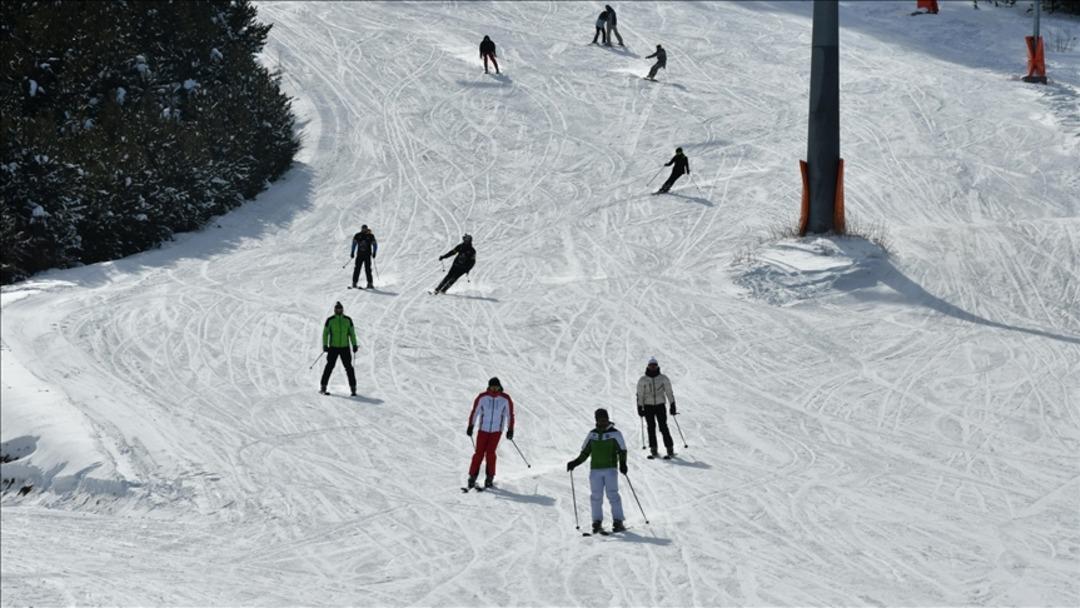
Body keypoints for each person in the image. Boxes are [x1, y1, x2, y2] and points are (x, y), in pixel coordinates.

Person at [566, 408, 628, 534]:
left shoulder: (615, 433)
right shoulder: (592, 434)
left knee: (613, 494)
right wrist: (575, 462)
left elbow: (622, 450)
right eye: (600, 419)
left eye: (604, 419)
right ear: (596, 420)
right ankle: (596, 522)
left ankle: (618, 520)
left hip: (610, 469)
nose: (603, 421)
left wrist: (623, 464)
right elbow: (585, 452)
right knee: (596, 496)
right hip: (595, 470)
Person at [466, 377, 515, 489]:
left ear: (499, 386)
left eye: (496, 387)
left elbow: (509, 415)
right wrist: (470, 426)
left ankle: (490, 477)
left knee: (490, 453)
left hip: (496, 431)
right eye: (492, 387)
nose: (494, 389)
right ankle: (472, 476)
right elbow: (475, 412)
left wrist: (510, 429)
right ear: (489, 386)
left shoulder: (505, 399)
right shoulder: (482, 397)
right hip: (483, 429)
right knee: (478, 453)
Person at [636, 356, 676, 459]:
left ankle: (669, 448)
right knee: (651, 427)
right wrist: (640, 407)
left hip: (660, 405)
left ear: (657, 366)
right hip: (648, 406)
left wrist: (672, 404)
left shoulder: (663, 378)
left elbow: (669, 392)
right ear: (648, 366)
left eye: (654, 365)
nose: (653, 367)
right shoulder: (643, 380)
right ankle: (653, 448)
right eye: (651, 365)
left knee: (663, 426)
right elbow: (640, 394)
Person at [320, 301, 358, 396]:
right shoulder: (330, 320)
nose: (339, 310)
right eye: (337, 309)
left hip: (345, 348)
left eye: (340, 309)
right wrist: (325, 345)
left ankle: (353, 388)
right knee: (329, 366)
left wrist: (354, 344)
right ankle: (323, 386)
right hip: (333, 348)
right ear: (335, 310)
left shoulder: (348, 320)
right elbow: (325, 333)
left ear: (342, 309)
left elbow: (352, 333)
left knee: (349, 368)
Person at [350, 224, 378, 289]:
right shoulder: (358, 235)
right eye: (363, 228)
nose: (364, 230)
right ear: (361, 229)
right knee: (357, 269)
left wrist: (374, 252)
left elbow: (375, 244)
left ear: (367, 229)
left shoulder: (370, 236)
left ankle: (370, 283)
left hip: (367, 255)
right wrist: (352, 252)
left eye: (365, 228)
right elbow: (354, 244)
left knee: (368, 269)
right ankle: (354, 283)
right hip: (359, 255)